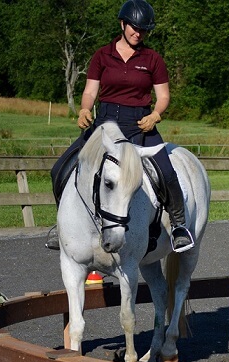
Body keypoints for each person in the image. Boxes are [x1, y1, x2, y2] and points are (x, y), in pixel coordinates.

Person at [47, 0, 194, 253]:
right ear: (123, 24)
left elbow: (164, 96)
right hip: (105, 123)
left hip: (140, 124)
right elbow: (90, 91)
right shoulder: (102, 55)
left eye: (144, 30)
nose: (139, 33)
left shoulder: (152, 59)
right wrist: (84, 109)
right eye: (135, 28)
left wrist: (156, 115)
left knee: (167, 173)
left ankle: (179, 226)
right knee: (60, 168)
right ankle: (61, 225)